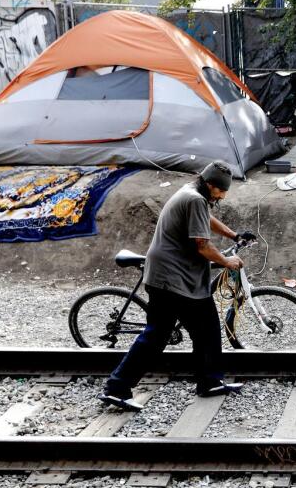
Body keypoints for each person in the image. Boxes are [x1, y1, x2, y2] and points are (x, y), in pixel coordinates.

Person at [100, 161, 257, 411]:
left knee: (202, 330)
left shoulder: (193, 194)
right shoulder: (195, 199)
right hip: (171, 278)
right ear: (209, 184)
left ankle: (210, 381)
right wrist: (227, 261)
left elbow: (208, 218)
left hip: (175, 277)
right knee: (160, 335)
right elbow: (202, 245)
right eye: (220, 190)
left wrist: (234, 236)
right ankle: (117, 388)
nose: (223, 195)